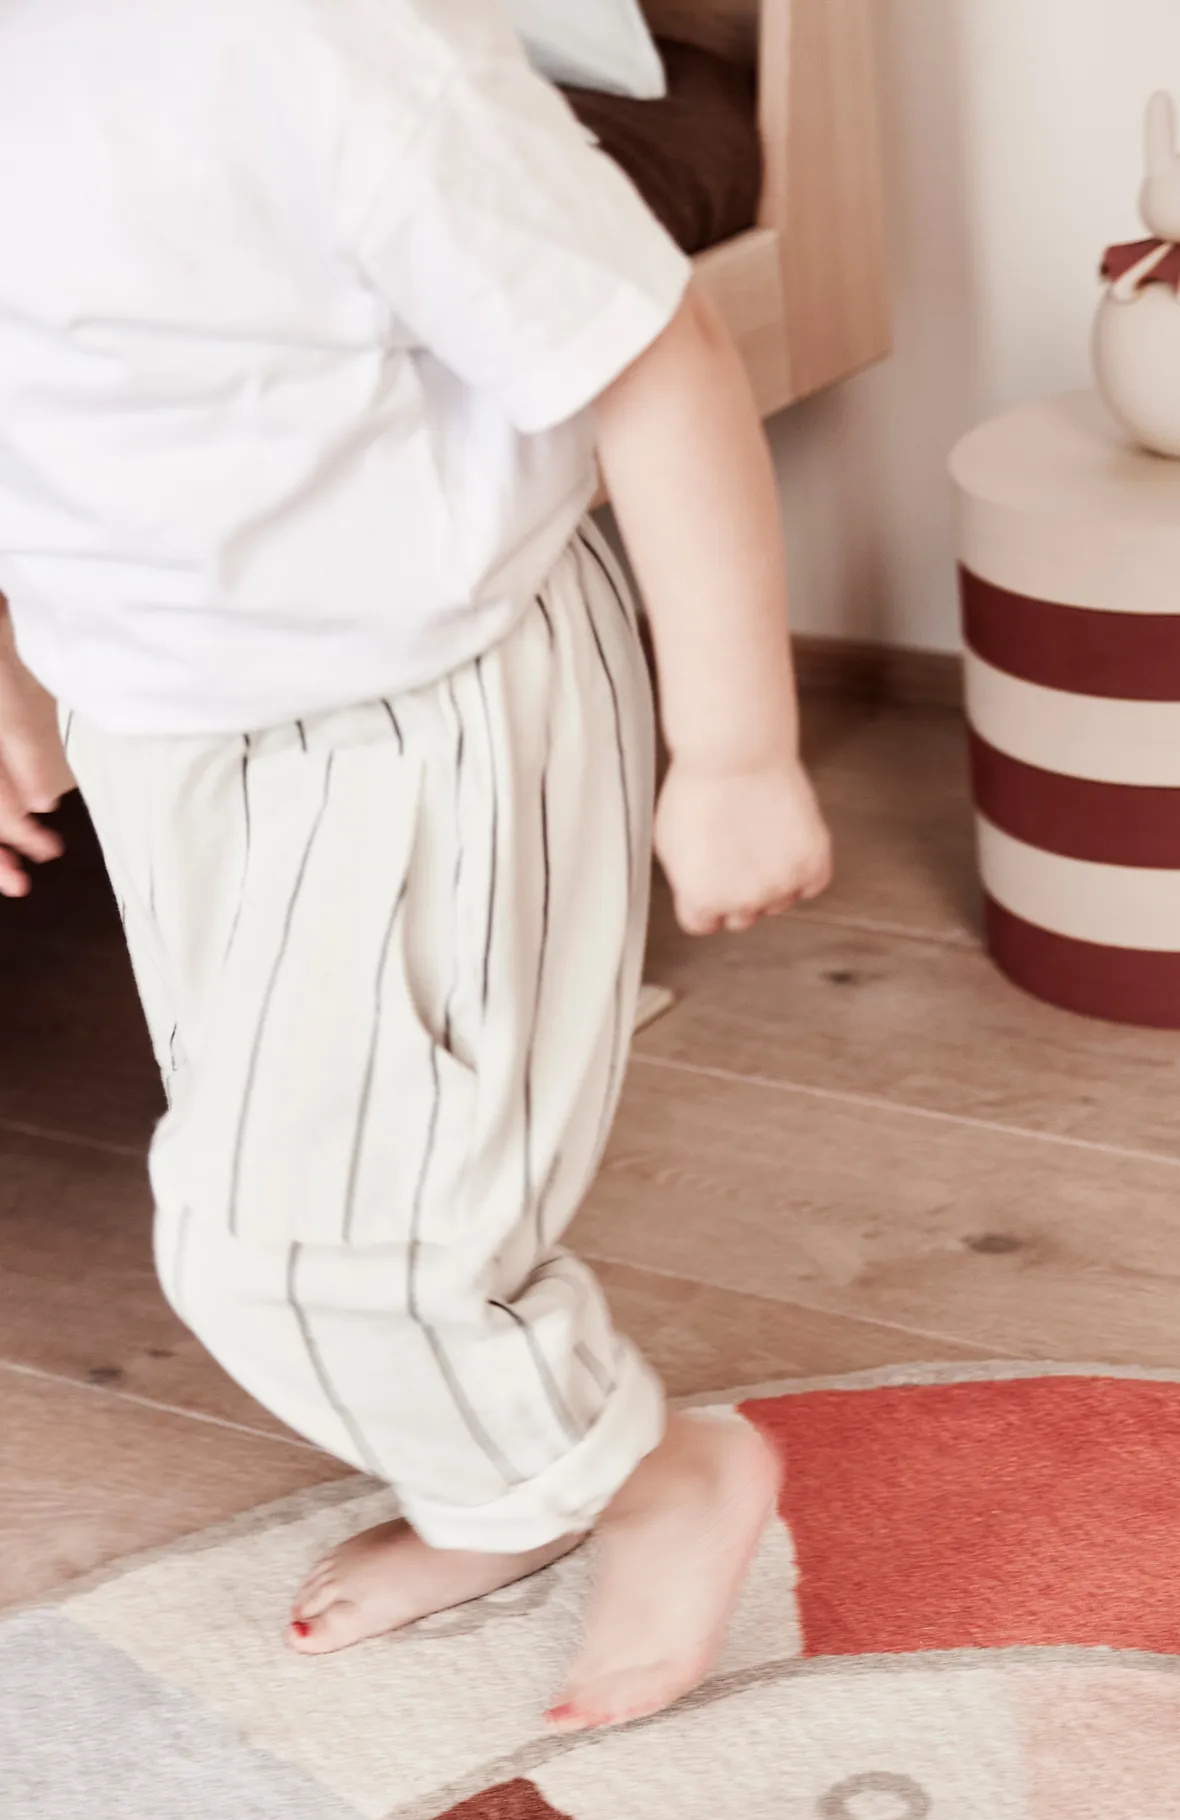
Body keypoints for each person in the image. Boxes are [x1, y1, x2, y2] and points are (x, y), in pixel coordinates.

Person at [0, 0, 833, 1730]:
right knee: (343, 1165)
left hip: (416, 707)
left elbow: (653, 353)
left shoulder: (324, 51)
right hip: (161, 724)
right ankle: (499, 1479)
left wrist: (736, 750)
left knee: (285, 1237)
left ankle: (656, 1475)